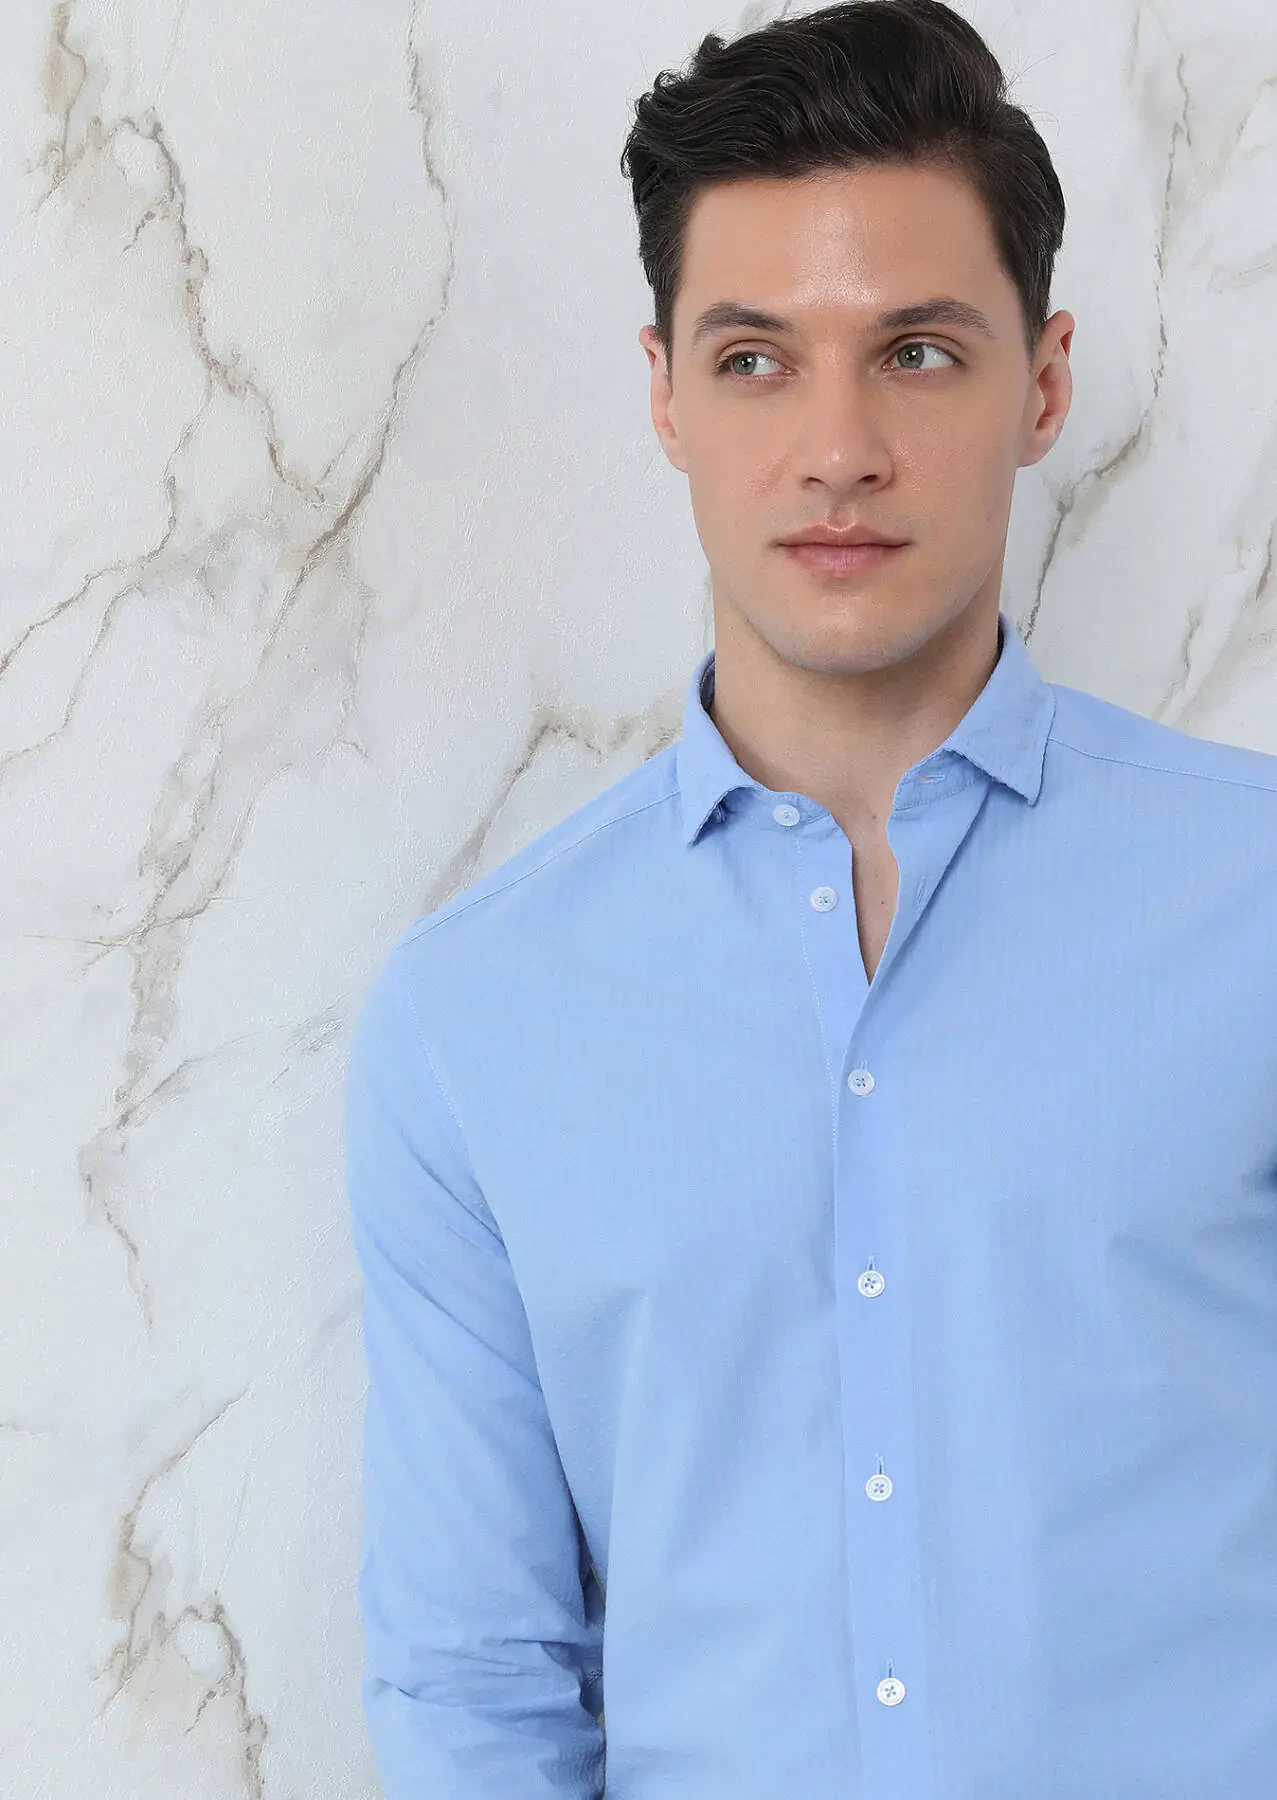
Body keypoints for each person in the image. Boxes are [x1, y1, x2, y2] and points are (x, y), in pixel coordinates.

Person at [345, 3, 1277, 1795]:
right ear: (666, 396)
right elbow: (476, 1682)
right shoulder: (476, 1018)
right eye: (757, 359)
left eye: (916, 352)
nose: (837, 447)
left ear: (1045, 386)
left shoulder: (1255, 911)